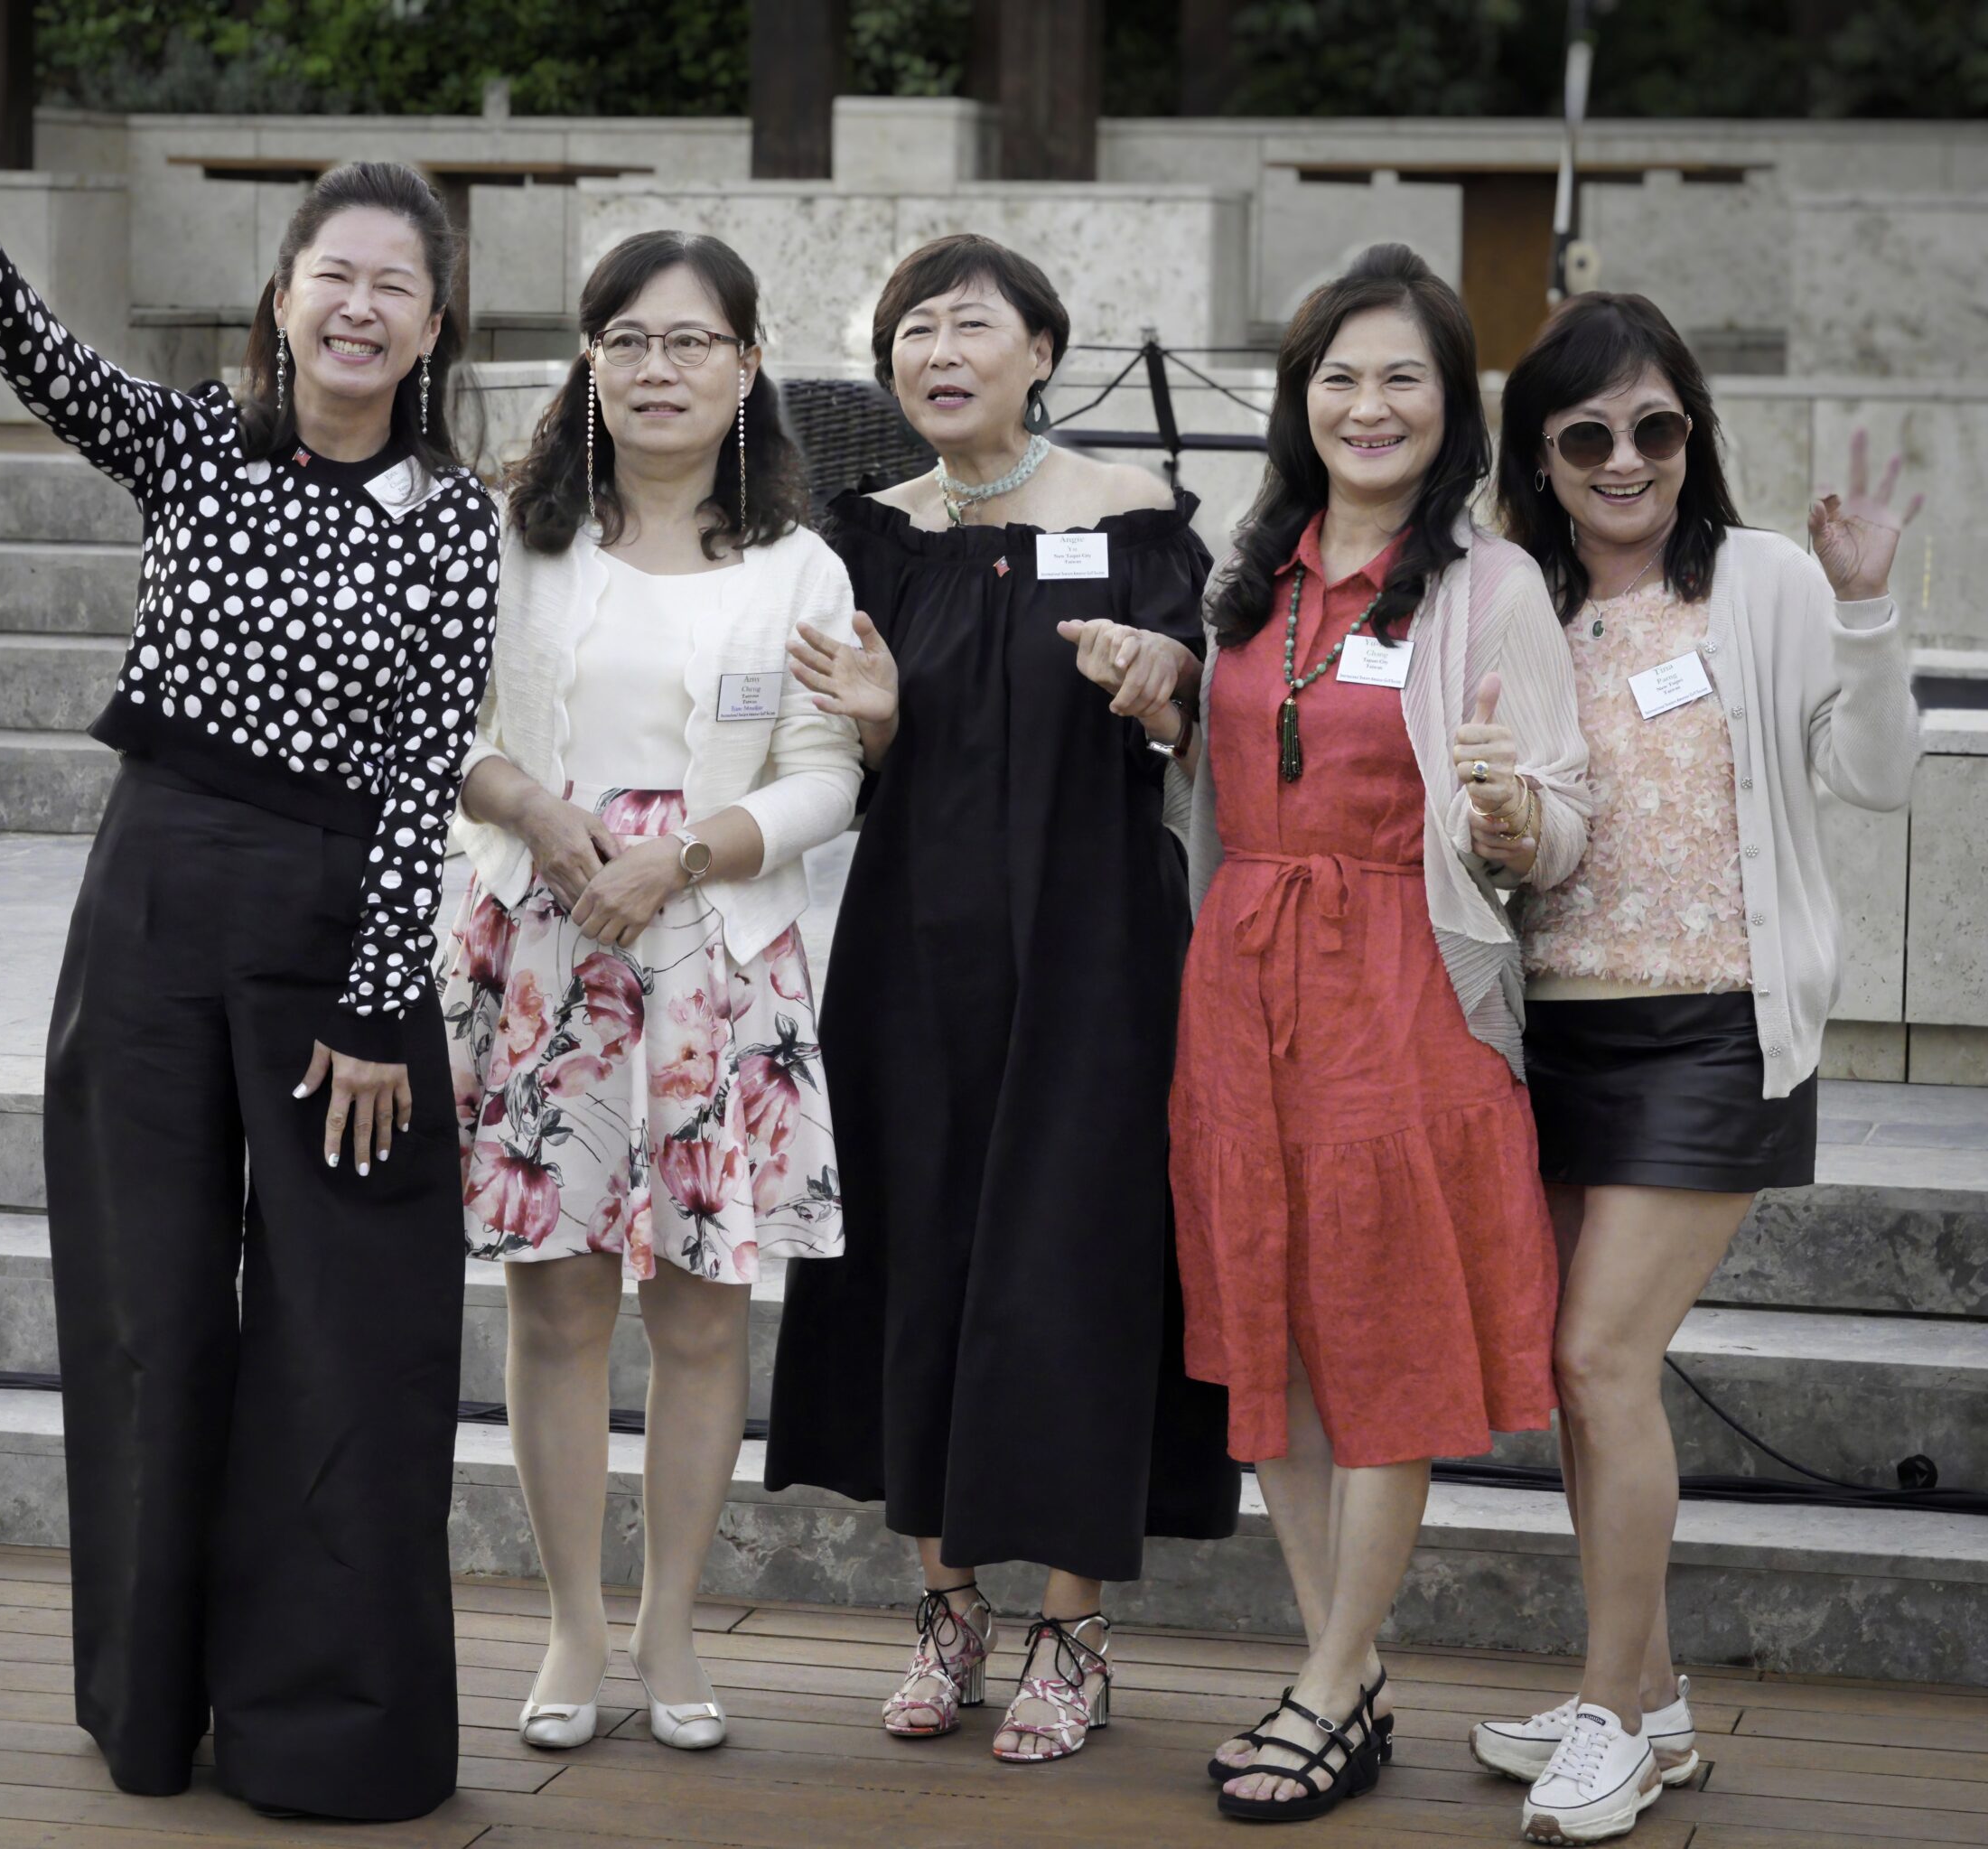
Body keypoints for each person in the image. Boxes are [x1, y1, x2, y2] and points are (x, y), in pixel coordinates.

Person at [0, 44, 497, 1823]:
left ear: (434, 329)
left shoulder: (454, 522)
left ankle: (326, 1727)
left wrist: (377, 1007)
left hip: (336, 934)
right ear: (283, 298)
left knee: (348, 1332)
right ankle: (148, 1702)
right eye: (333, 275)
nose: (358, 308)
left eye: (394, 287)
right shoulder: (192, 444)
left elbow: (424, 769)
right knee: (150, 1312)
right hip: (152, 902)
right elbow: (34, 353)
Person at [766, 232, 1237, 1767]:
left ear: (1041, 351)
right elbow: (838, 762)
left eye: (971, 325)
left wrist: (1162, 676)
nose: (938, 352)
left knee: (1072, 1266)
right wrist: (876, 725)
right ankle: (947, 1607)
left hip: (1096, 956)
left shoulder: (1135, 514)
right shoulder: (866, 540)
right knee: (923, 1253)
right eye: (913, 331)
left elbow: (1196, 713)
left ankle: (1073, 1630)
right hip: (913, 957)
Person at [1472, 294, 1921, 1846]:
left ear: (1693, 436)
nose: (1626, 459)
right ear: (1540, 452)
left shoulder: (1764, 581)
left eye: (1655, 427)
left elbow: (1876, 778)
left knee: (1602, 1359)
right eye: (1587, 433)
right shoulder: (1513, 595)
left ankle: (1613, 1719)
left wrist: (1869, 611)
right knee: (1580, 1377)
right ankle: (1646, 1689)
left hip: (1719, 1030)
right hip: (1554, 1030)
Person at [1171, 244, 1590, 1824]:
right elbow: (1214, 774)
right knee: (1273, 1330)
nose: (1369, 404)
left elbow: (1558, 818)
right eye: (1338, 376)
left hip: (1400, 987)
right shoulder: (1251, 568)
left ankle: (1334, 1678)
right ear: (1298, 400)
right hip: (1238, 985)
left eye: (1402, 376)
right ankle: (1336, 1673)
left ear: (1449, 406)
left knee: (1381, 1336)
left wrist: (1508, 811)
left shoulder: (1492, 586)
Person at [443, 231, 862, 1757]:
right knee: (556, 1306)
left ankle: (672, 1627)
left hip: (715, 965)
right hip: (546, 944)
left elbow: (826, 775)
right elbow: (446, 727)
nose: (656, 368)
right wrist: (543, 819)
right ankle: (571, 1627)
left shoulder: (800, 565)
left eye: (691, 342)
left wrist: (680, 857)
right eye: (626, 339)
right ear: (590, 363)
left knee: (700, 1314)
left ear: (747, 366)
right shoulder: (514, 535)